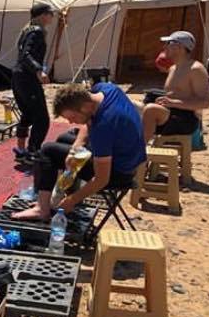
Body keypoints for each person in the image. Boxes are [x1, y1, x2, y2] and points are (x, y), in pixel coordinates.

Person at [12, 83, 146, 221]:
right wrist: (75, 149)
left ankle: (42, 209)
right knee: (64, 139)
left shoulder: (104, 125)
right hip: (127, 155)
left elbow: (101, 179)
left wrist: (72, 201)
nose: (71, 122)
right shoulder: (106, 90)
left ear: (84, 107)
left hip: (119, 173)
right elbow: (88, 123)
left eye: (72, 117)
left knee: (48, 151)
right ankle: (55, 197)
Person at [142, 31, 209, 143]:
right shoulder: (173, 68)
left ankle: (139, 150)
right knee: (130, 106)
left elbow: (205, 102)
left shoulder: (195, 69)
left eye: (168, 43)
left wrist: (174, 103)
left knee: (150, 110)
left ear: (179, 47)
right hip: (170, 112)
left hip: (185, 118)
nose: (165, 47)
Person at [12, 3, 54, 159]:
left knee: (28, 113)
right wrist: (38, 70)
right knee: (42, 119)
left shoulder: (27, 31)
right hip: (27, 77)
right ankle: (32, 152)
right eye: (51, 14)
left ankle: (21, 149)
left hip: (19, 76)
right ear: (43, 15)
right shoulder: (36, 31)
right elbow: (26, 55)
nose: (52, 17)